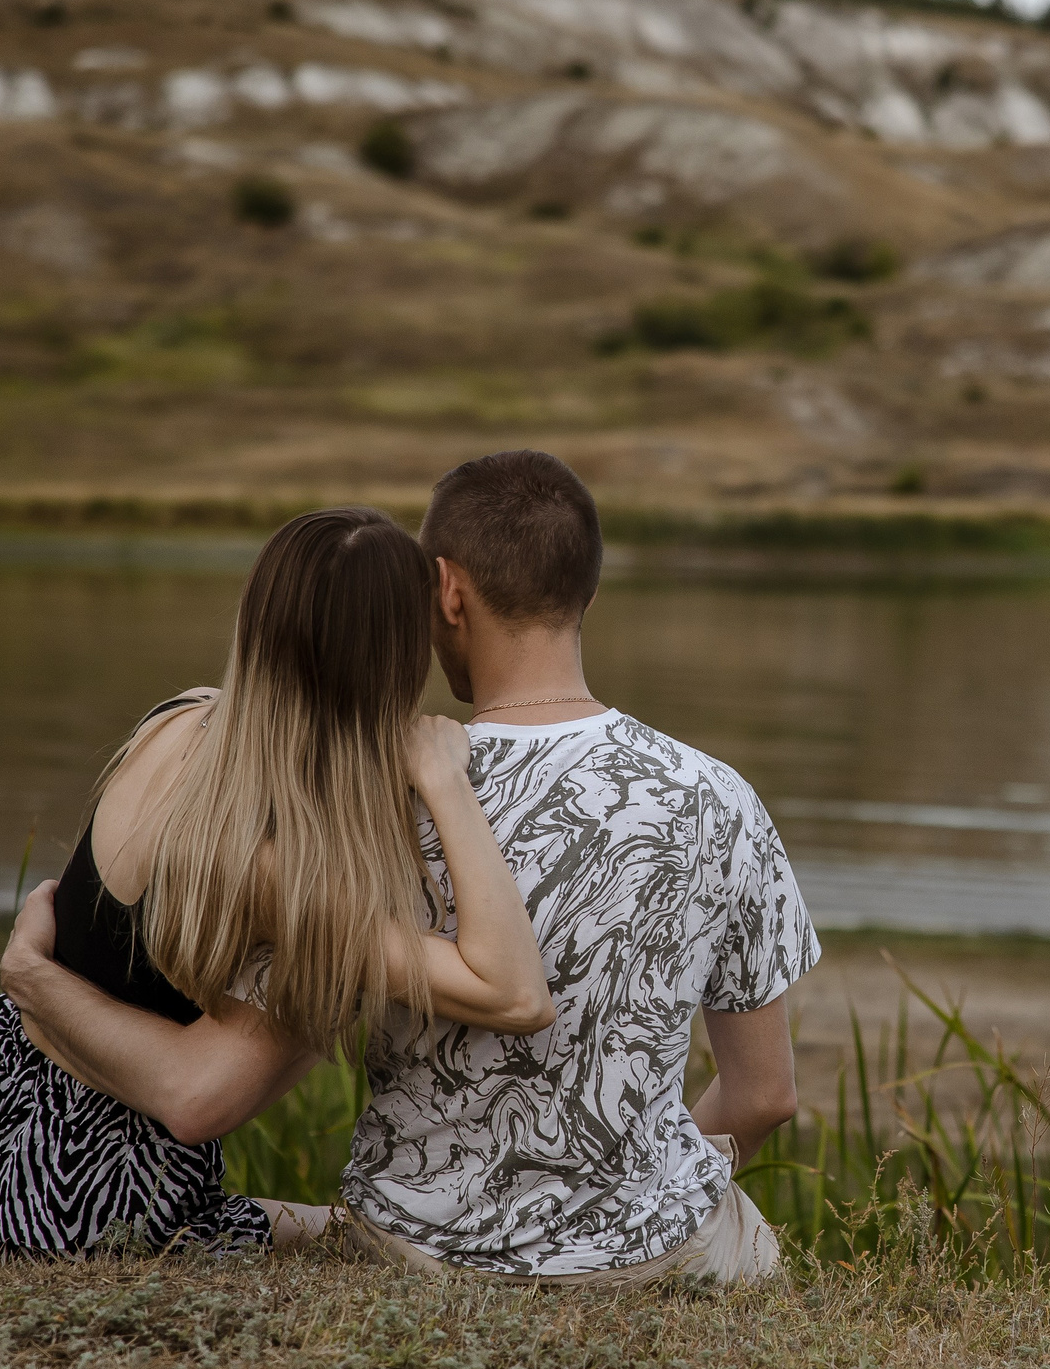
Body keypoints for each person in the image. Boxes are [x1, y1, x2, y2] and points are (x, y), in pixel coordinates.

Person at [0, 507, 556, 1256]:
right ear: (390, 657)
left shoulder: (178, 719)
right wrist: (443, 782)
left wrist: (30, 977)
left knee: (344, 1209)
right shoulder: (272, 863)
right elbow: (514, 992)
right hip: (86, 1190)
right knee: (374, 1241)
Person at [338, 449, 816, 1284]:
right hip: (652, 1255)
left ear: (447, 589)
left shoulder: (377, 790)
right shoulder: (719, 796)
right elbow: (765, 1094)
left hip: (417, 1248)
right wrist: (619, 1203)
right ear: (586, 592)